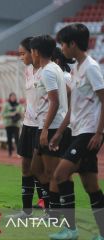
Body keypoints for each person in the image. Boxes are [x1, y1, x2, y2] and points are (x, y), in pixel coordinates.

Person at [49, 23, 104, 240]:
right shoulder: (79, 69)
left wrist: (100, 134)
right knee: (91, 186)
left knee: (60, 174)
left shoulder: (91, 67)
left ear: (73, 44)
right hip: (78, 131)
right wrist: (60, 132)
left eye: (63, 43)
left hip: (89, 133)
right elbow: (74, 108)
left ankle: (70, 230)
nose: (61, 48)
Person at [30, 35, 68, 221]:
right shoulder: (53, 69)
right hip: (45, 125)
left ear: (36, 51)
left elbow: (54, 101)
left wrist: (45, 129)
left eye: (31, 51)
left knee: (53, 174)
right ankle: (53, 208)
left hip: (50, 127)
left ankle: (55, 213)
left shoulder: (48, 71)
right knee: (36, 168)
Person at [8, 37, 46, 220]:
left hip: (42, 126)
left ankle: (48, 209)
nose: (21, 57)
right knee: (25, 167)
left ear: (34, 52)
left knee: (40, 168)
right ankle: (26, 210)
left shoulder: (48, 71)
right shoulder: (28, 70)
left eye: (23, 53)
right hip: (28, 125)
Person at [1, 92, 24, 157]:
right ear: (10, 97)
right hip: (8, 124)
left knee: (17, 138)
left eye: (14, 97)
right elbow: (2, 114)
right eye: (12, 97)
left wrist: (19, 113)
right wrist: (11, 114)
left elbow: (22, 112)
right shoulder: (6, 105)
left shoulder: (19, 105)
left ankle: (18, 152)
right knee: (9, 138)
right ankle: (10, 152)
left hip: (16, 124)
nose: (13, 98)